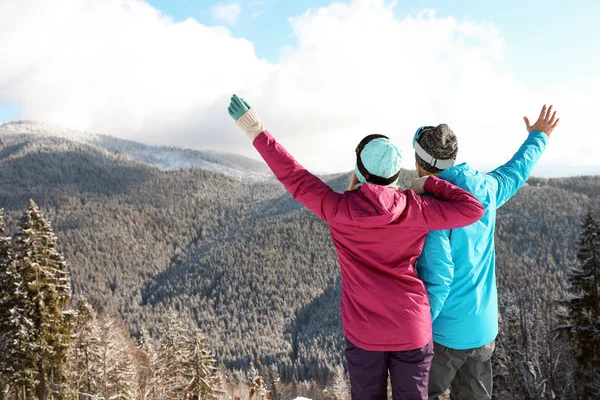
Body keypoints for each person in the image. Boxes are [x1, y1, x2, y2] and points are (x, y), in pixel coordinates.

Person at [227, 94, 485, 400]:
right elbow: (473, 209)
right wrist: (428, 184)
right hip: (411, 327)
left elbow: (294, 177)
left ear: (360, 172)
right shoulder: (416, 209)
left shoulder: (338, 209)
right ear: (395, 175)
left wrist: (256, 130)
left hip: (364, 333)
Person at [412, 105, 559, 400]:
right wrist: (538, 137)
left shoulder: (432, 208)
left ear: (421, 162)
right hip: (483, 330)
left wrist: (416, 331)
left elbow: (439, 277)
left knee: (418, 394)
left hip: (444, 335)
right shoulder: (485, 188)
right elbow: (516, 171)